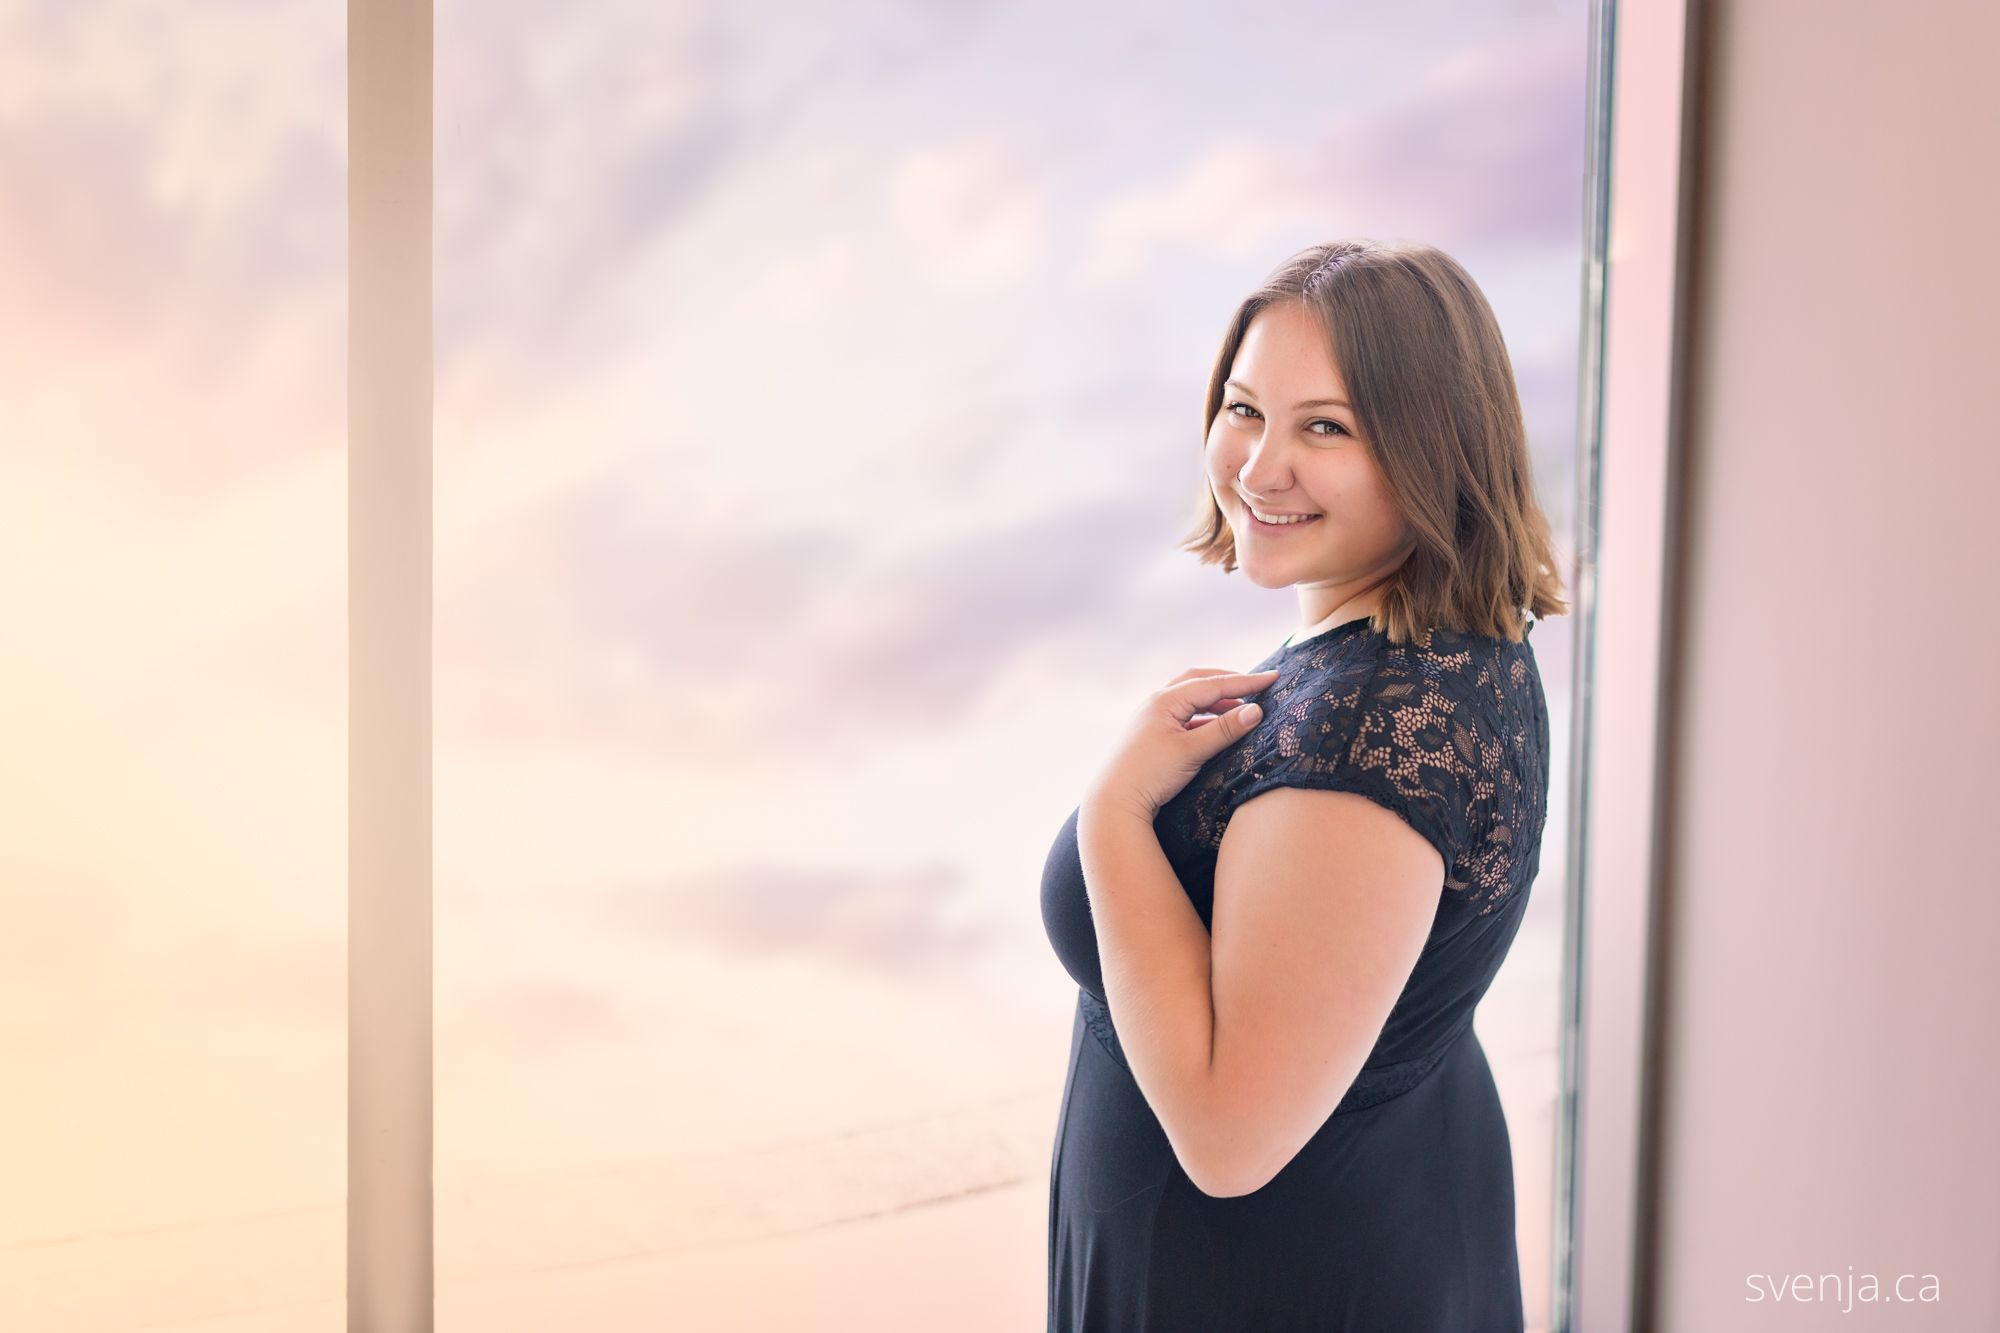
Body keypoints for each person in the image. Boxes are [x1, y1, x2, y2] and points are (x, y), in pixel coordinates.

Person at [1039, 238, 1568, 1331]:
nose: (1256, 466)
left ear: (1432, 451)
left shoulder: (1365, 737)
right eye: (1243, 409)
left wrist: (1113, 817)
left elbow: (1230, 1137)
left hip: (1270, 1282)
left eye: (1323, 426)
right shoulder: (1438, 649)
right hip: (1375, 1226)